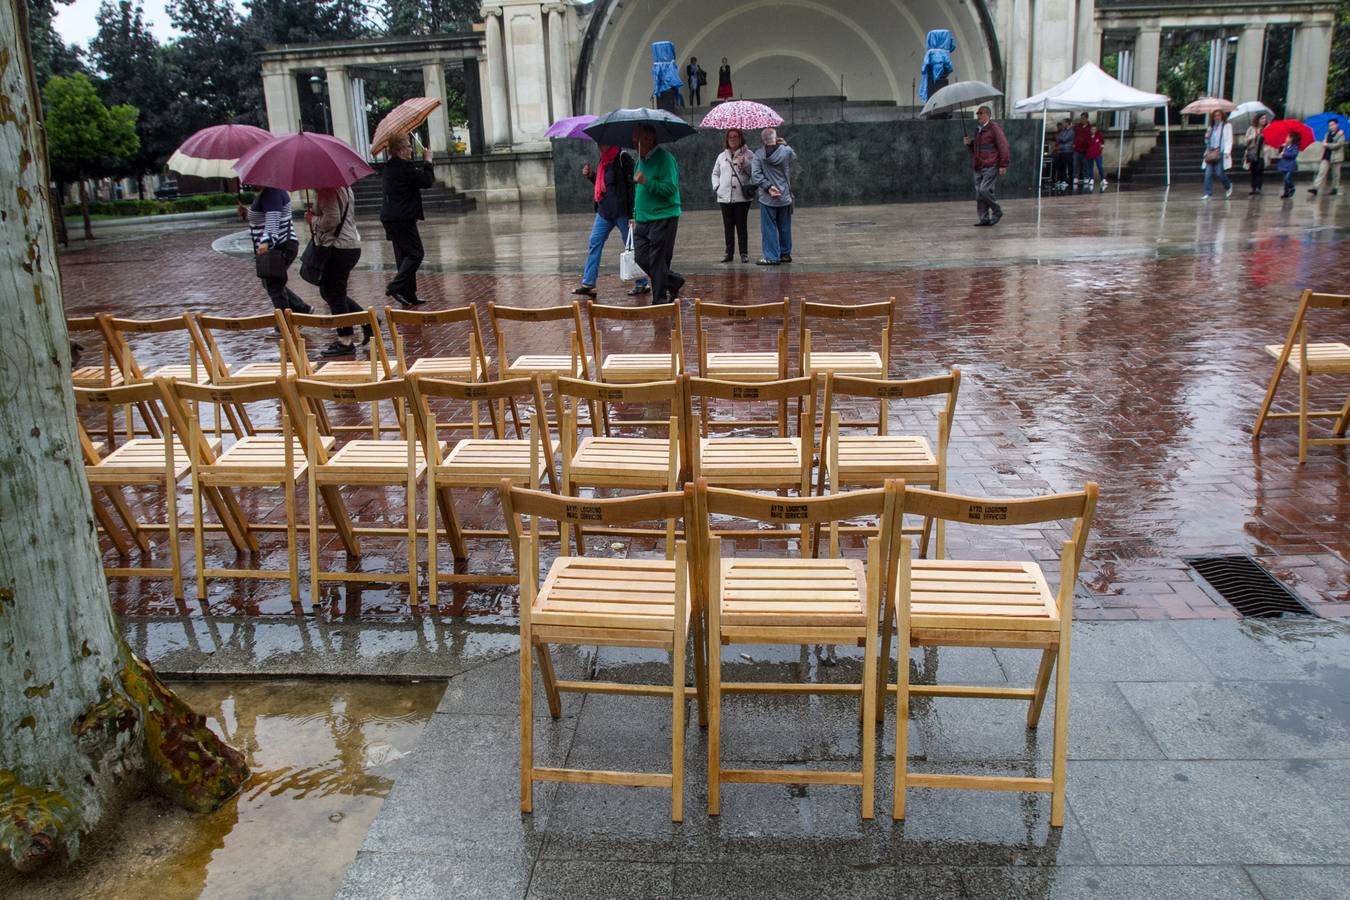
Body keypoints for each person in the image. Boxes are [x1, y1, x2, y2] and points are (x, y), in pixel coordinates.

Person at [573, 144, 650, 298]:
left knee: (631, 247)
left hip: (622, 213)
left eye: (602, 143)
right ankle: (588, 283)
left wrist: (632, 214)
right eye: (598, 143)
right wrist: (591, 176)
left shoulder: (623, 158)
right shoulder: (604, 160)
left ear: (612, 142)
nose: (599, 146)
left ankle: (642, 283)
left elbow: (631, 187)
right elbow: (604, 185)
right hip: (604, 212)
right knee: (594, 242)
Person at [305, 185, 369, 357]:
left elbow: (332, 220)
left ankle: (346, 340)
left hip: (338, 248)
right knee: (330, 292)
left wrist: (312, 220)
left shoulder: (328, 190)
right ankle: (367, 321)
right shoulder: (343, 187)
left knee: (334, 294)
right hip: (347, 246)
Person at [632, 123, 685, 304]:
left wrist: (647, 181)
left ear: (648, 139)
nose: (634, 142)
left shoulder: (665, 159)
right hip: (643, 218)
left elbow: (670, 189)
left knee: (658, 259)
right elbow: (638, 192)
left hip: (664, 216)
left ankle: (660, 300)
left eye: (637, 138)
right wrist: (635, 214)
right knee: (641, 257)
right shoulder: (640, 161)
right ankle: (673, 281)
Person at [380, 132, 433, 306]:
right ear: (402, 150)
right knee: (416, 253)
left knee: (404, 256)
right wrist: (428, 161)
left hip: (393, 217)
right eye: (409, 146)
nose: (411, 149)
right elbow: (426, 181)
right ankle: (395, 286)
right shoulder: (403, 168)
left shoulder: (390, 167)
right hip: (401, 218)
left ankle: (409, 293)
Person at [248, 185, 312, 315]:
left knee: (274, 284)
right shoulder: (270, 192)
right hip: (281, 246)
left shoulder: (271, 193)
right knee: (272, 283)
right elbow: (265, 219)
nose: (247, 183)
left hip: (279, 247)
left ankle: (286, 326)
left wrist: (266, 242)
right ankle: (301, 309)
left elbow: (273, 221)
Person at [751, 128, 796, 265]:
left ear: (763, 140)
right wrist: (786, 144)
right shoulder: (786, 151)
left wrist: (769, 187)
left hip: (768, 198)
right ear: (775, 138)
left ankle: (771, 256)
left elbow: (756, 175)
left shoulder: (759, 155)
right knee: (785, 226)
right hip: (785, 196)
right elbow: (794, 157)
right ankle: (785, 254)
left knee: (769, 227)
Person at [711, 128, 754, 263]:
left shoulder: (749, 154)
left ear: (741, 138)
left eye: (736, 136)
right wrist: (717, 186)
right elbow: (715, 173)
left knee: (741, 226)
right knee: (728, 226)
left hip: (741, 197)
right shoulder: (721, 156)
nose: (733, 139)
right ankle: (729, 253)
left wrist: (745, 162)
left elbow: (754, 171)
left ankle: (743, 253)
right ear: (727, 139)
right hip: (724, 196)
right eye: (730, 137)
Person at [964, 105, 1009, 226]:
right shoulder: (978, 129)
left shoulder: (994, 128)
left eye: (981, 113)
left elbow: (1003, 145)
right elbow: (977, 148)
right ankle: (983, 219)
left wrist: (1003, 165)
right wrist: (970, 143)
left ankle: (997, 210)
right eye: (977, 113)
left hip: (991, 164)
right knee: (979, 193)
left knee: (984, 190)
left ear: (988, 115)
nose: (978, 115)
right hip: (978, 165)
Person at [1202, 109, 1233, 200]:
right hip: (1211, 152)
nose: (1217, 117)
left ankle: (1228, 186)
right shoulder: (1211, 127)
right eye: (1215, 116)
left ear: (1222, 116)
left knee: (1220, 173)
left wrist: (1227, 151)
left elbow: (1229, 139)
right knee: (1208, 174)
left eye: (1218, 115)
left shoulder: (1227, 126)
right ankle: (1208, 193)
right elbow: (1207, 141)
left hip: (1221, 152)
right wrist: (1206, 137)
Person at [1309, 118, 1344, 197]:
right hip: (1326, 156)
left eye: (1332, 125)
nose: (1331, 127)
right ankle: (1315, 188)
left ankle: (1335, 189)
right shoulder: (1327, 134)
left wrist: (1327, 144)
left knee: (1336, 174)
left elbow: (1338, 145)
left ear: (1336, 125)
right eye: (1329, 125)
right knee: (1321, 172)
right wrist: (1324, 143)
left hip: (1336, 157)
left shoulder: (1341, 133)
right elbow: (1325, 143)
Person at [1244, 112, 1270, 195]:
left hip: (1262, 153)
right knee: (1253, 171)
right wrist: (1254, 136)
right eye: (1262, 118)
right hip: (1252, 153)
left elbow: (1269, 142)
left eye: (1265, 118)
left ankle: (1259, 187)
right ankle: (1253, 188)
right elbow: (1245, 141)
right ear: (1258, 119)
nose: (1264, 120)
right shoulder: (1251, 128)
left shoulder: (1267, 129)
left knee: (1260, 170)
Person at [1053, 119, 1074, 190]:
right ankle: (1060, 179)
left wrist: (1059, 138)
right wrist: (1059, 138)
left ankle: (1065, 180)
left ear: (1067, 123)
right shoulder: (1063, 131)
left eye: (1064, 123)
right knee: (1060, 166)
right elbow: (1058, 138)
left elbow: (1064, 139)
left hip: (1067, 150)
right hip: (1061, 150)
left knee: (1065, 166)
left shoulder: (1071, 131)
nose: (1063, 124)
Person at [1277, 133, 1300, 198]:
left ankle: (1292, 187)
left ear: (1291, 139)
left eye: (1288, 137)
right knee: (1285, 180)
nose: (1286, 139)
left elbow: (1293, 155)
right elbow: (1279, 153)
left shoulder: (1295, 147)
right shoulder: (1285, 146)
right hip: (1284, 164)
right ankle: (1286, 192)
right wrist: (1282, 147)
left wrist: (1284, 153)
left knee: (1287, 178)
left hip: (1290, 165)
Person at [1072, 113, 1091, 186]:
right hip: (1077, 148)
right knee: (1076, 163)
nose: (1082, 119)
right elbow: (1074, 133)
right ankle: (1075, 177)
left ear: (1086, 119)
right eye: (1081, 118)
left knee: (1085, 164)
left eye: (1083, 118)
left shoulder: (1089, 127)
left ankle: (1086, 177)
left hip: (1085, 149)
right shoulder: (1077, 127)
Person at [1085, 124, 1107, 191]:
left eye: (1094, 129)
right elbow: (1085, 145)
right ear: (1090, 130)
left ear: (1096, 130)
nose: (1093, 131)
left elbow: (1102, 143)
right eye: (1092, 129)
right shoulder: (1088, 137)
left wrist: (1101, 149)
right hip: (1090, 154)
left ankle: (1103, 179)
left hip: (1097, 154)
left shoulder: (1099, 136)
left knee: (1099, 166)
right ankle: (1091, 178)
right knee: (1090, 167)